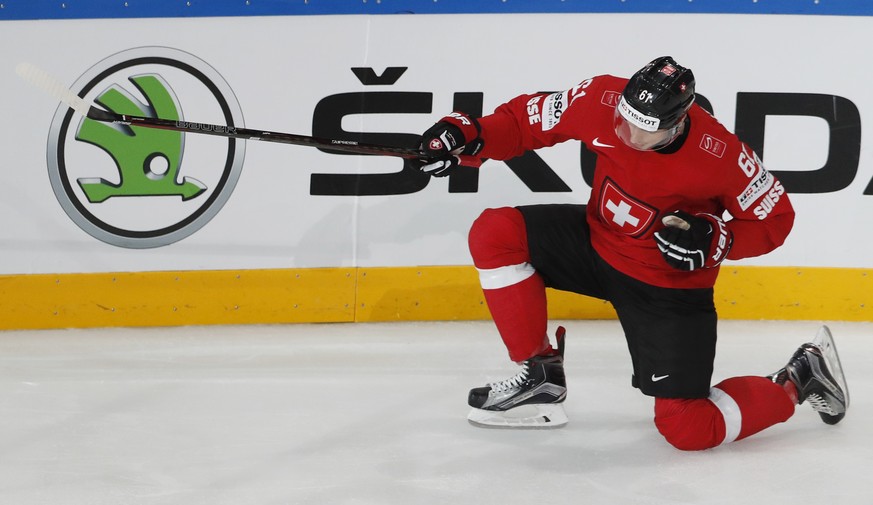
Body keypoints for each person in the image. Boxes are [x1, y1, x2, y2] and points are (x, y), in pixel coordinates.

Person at [413, 56, 849, 450]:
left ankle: (800, 377)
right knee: (495, 232)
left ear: (678, 122)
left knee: (689, 429)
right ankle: (540, 374)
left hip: (666, 286)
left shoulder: (723, 157)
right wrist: (468, 133)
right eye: (625, 120)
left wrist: (719, 240)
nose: (629, 134)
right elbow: (524, 123)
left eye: (646, 129)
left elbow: (776, 220)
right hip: (596, 242)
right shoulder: (600, 97)